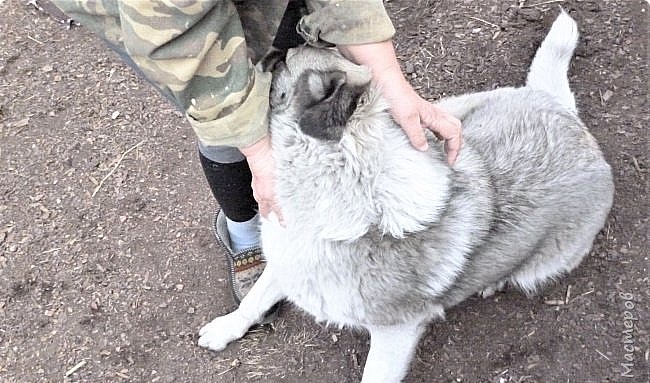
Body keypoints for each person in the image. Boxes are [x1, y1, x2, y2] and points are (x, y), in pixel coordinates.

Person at [51, 0, 462, 312]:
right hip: (163, 20)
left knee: (294, 68)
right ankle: (243, 229)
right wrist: (258, 152)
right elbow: (184, 48)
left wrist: (388, 76)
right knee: (228, 130)